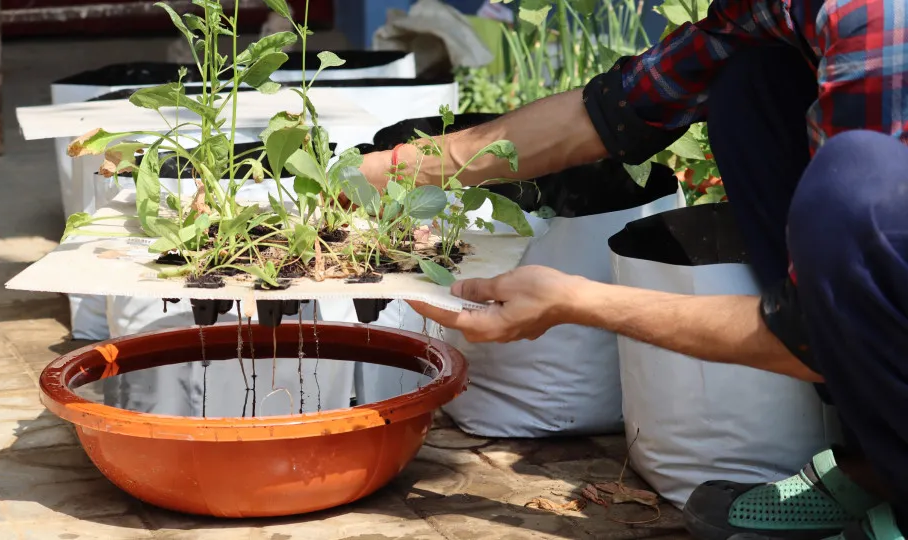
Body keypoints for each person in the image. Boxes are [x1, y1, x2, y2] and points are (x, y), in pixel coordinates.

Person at [357, 0, 908, 539]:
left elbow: (810, 333)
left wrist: (578, 302)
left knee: (853, 185)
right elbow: (613, 111)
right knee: (751, 83)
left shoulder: (870, 16)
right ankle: (881, 462)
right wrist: (383, 173)